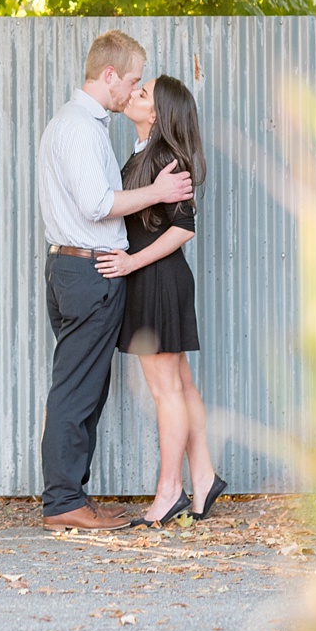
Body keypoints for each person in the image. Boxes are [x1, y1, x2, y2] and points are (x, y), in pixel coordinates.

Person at [37, 31, 195, 531]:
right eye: (130, 80)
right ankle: (64, 501)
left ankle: (71, 497)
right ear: (109, 76)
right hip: (89, 270)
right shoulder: (81, 128)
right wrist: (158, 191)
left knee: (80, 386)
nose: (133, 90)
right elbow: (98, 205)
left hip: (78, 267)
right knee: (78, 390)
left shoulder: (80, 125)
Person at [95, 76, 227, 525]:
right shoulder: (142, 151)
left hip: (156, 279)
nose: (133, 93)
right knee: (182, 385)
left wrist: (131, 264)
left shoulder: (166, 157)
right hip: (155, 279)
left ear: (156, 113)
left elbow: (183, 228)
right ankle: (203, 476)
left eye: (144, 92)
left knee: (165, 389)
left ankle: (170, 490)